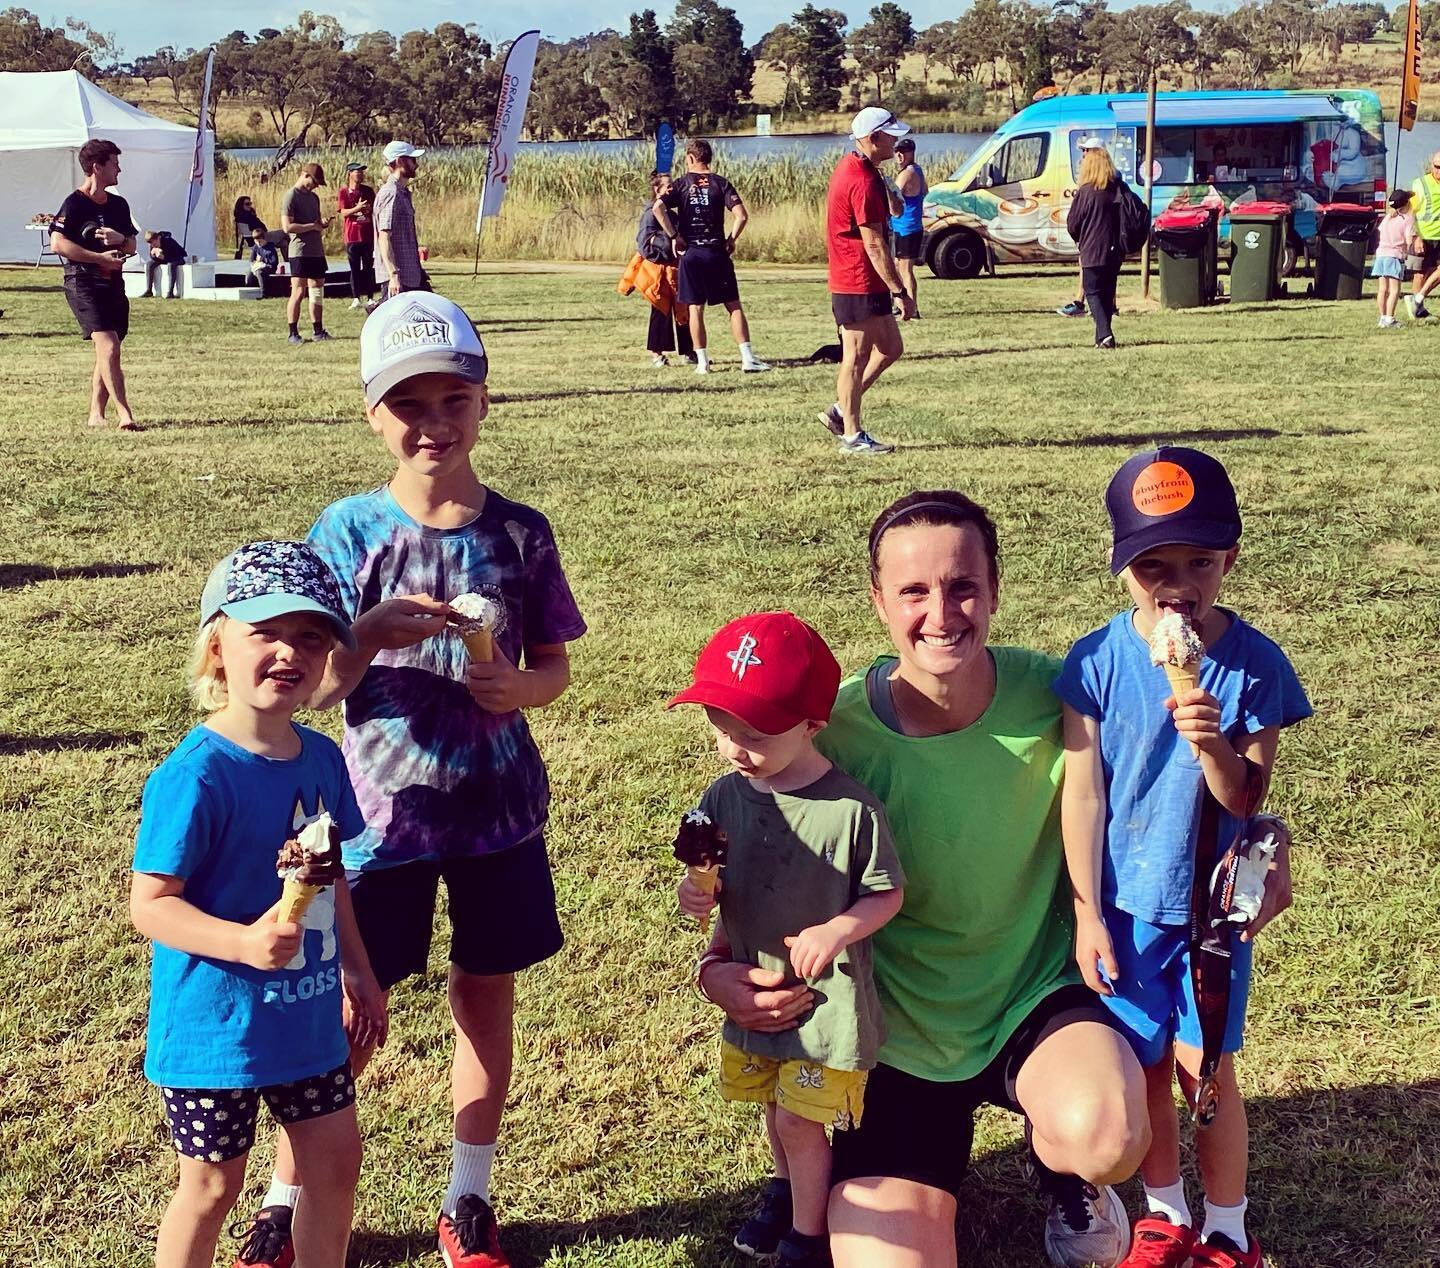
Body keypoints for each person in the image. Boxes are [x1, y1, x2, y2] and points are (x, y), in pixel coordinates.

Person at [232, 292, 588, 1268]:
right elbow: (316, 684)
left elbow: (552, 663)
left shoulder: (520, 533)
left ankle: (468, 1196)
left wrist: (519, 686)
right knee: (339, 1016)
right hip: (372, 822)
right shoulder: (348, 532)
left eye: (452, 398)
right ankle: (283, 1197)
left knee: (486, 993)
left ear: (483, 402)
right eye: (407, 403)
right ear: (370, 411)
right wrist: (366, 635)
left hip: (497, 816)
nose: (431, 422)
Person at [1056, 447, 1311, 1268]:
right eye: (1153, 564)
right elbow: (1084, 791)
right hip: (1125, 908)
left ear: (1230, 559)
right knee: (1148, 1066)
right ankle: (1164, 1215)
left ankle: (1229, 1226)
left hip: (1209, 915)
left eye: (1201, 560)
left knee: (1208, 1074)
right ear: (1118, 565)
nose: (1179, 583)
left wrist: (1212, 746)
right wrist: (1087, 912)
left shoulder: (1255, 668)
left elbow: (1246, 799)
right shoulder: (1094, 663)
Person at [129, 539, 387, 1268]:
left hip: (306, 1018)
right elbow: (151, 905)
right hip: (217, 1030)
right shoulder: (198, 776)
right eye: (264, 632)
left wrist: (358, 971)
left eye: (310, 638)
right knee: (213, 1185)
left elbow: (332, 878)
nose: (288, 653)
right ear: (217, 648)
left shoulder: (323, 759)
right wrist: (243, 943)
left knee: (335, 1167)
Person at [669, 612, 905, 1267]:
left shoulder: (849, 810)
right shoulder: (724, 796)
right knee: (776, 1110)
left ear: (812, 725)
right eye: (721, 726)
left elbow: (887, 893)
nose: (736, 745)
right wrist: (700, 894)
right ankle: (783, 1188)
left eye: (756, 732)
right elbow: (714, 881)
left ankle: (809, 1235)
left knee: (802, 1120)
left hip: (823, 1005)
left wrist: (838, 929)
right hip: (756, 985)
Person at [815, 107, 915, 457]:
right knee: (854, 358)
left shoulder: (863, 169)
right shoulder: (859, 179)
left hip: (864, 280)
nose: (896, 141)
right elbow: (873, 243)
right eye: (890, 135)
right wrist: (900, 290)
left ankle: (840, 411)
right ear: (873, 138)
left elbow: (897, 211)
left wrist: (887, 185)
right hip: (856, 280)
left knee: (890, 348)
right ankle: (852, 437)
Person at [652, 138, 771, 374]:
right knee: (733, 306)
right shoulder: (721, 183)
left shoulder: (681, 184)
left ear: (691, 159)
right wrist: (731, 239)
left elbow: (658, 208)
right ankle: (747, 358)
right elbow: (742, 215)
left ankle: (703, 362)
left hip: (692, 254)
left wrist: (675, 235)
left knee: (696, 308)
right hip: (716, 252)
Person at [50, 137, 139, 431]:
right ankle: (125, 414)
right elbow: (58, 244)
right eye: (114, 163)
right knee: (109, 346)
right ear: (96, 167)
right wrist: (98, 257)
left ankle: (95, 414)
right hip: (83, 283)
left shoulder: (119, 204)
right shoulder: (74, 203)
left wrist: (120, 240)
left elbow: (132, 245)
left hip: (114, 284)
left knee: (107, 351)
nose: (120, 169)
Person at [1066, 138, 1127, 350]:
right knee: (1106, 292)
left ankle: (1105, 334)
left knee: (1092, 292)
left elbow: (1072, 223)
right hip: (1114, 249)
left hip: (1092, 249)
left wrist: (1079, 238)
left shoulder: (1086, 192)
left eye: (1084, 155)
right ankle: (1101, 338)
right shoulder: (1116, 189)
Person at [632, 171, 695, 367]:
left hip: (676, 270)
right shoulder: (651, 214)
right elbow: (643, 244)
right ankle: (657, 355)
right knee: (660, 311)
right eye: (667, 185)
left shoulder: (672, 214)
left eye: (672, 185)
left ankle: (688, 352)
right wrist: (663, 254)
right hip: (658, 271)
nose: (671, 188)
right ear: (656, 189)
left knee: (683, 309)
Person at [280, 162, 333, 345]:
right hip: (299, 250)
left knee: (317, 289)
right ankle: (293, 332)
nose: (315, 186)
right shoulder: (290, 196)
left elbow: (315, 221)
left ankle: (318, 330)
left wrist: (322, 223)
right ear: (305, 175)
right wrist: (312, 226)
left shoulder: (314, 198)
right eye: (315, 181)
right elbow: (287, 227)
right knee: (299, 291)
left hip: (316, 250)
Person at [374, 140, 429, 298]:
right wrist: (394, 275)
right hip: (399, 279)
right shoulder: (391, 193)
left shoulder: (402, 192)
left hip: (412, 275)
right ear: (399, 161)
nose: (416, 164)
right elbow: (384, 238)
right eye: (412, 160)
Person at [887, 137, 927, 319]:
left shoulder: (907, 173)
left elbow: (892, 197)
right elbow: (925, 191)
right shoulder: (917, 170)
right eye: (897, 152)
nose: (899, 155)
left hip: (907, 227)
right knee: (897, 266)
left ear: (911, 153)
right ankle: (899, 304)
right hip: (908, 225)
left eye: (903, 152)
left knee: (905, 269)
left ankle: (913, 308)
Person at [1374, 189, 1418, 328]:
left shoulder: (1388, 217)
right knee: (1394, 290)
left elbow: (1380, 232)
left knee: (1382, 289)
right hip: (1394, 256)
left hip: (1381, 255)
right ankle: (1390, 319)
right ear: (1406, 204)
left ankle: (1382, 318)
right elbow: (1409, 240)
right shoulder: (1408, 219)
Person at [337, 161, 377, 311]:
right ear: (350, 174)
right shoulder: (344, 192)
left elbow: (374, 209)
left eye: (362, 172)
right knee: (354, 268)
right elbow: (343, 212)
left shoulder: (368, 191)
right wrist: (357, 208)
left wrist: (367, 209)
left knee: (368, 267)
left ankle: (371, 297)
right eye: (357, 171)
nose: (360, 174)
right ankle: (355, 298)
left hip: (367, 235)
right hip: (352, 235)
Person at [1406, 151, 1440, 319]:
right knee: (1420, 273)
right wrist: (1416, 236)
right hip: (1424, 235)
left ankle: (1418, 299)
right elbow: (1411, 210)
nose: (1439, 171)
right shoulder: (1420, 183)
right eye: (1436, 167)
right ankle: (1417, 310)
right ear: (1431, 165)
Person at [141, 228, 186, 299]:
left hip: (178, 257)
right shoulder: (153, 244)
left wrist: (163, 257)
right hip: (166, 258)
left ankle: (170, 292)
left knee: (171, 265)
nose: (154, 245)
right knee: (150, 264)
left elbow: (175, 255)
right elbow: (153, 257)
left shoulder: (168, 241)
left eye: (155, 243)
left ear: (158, 238)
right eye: (152, 244)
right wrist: (153, 255)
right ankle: (149, 290)